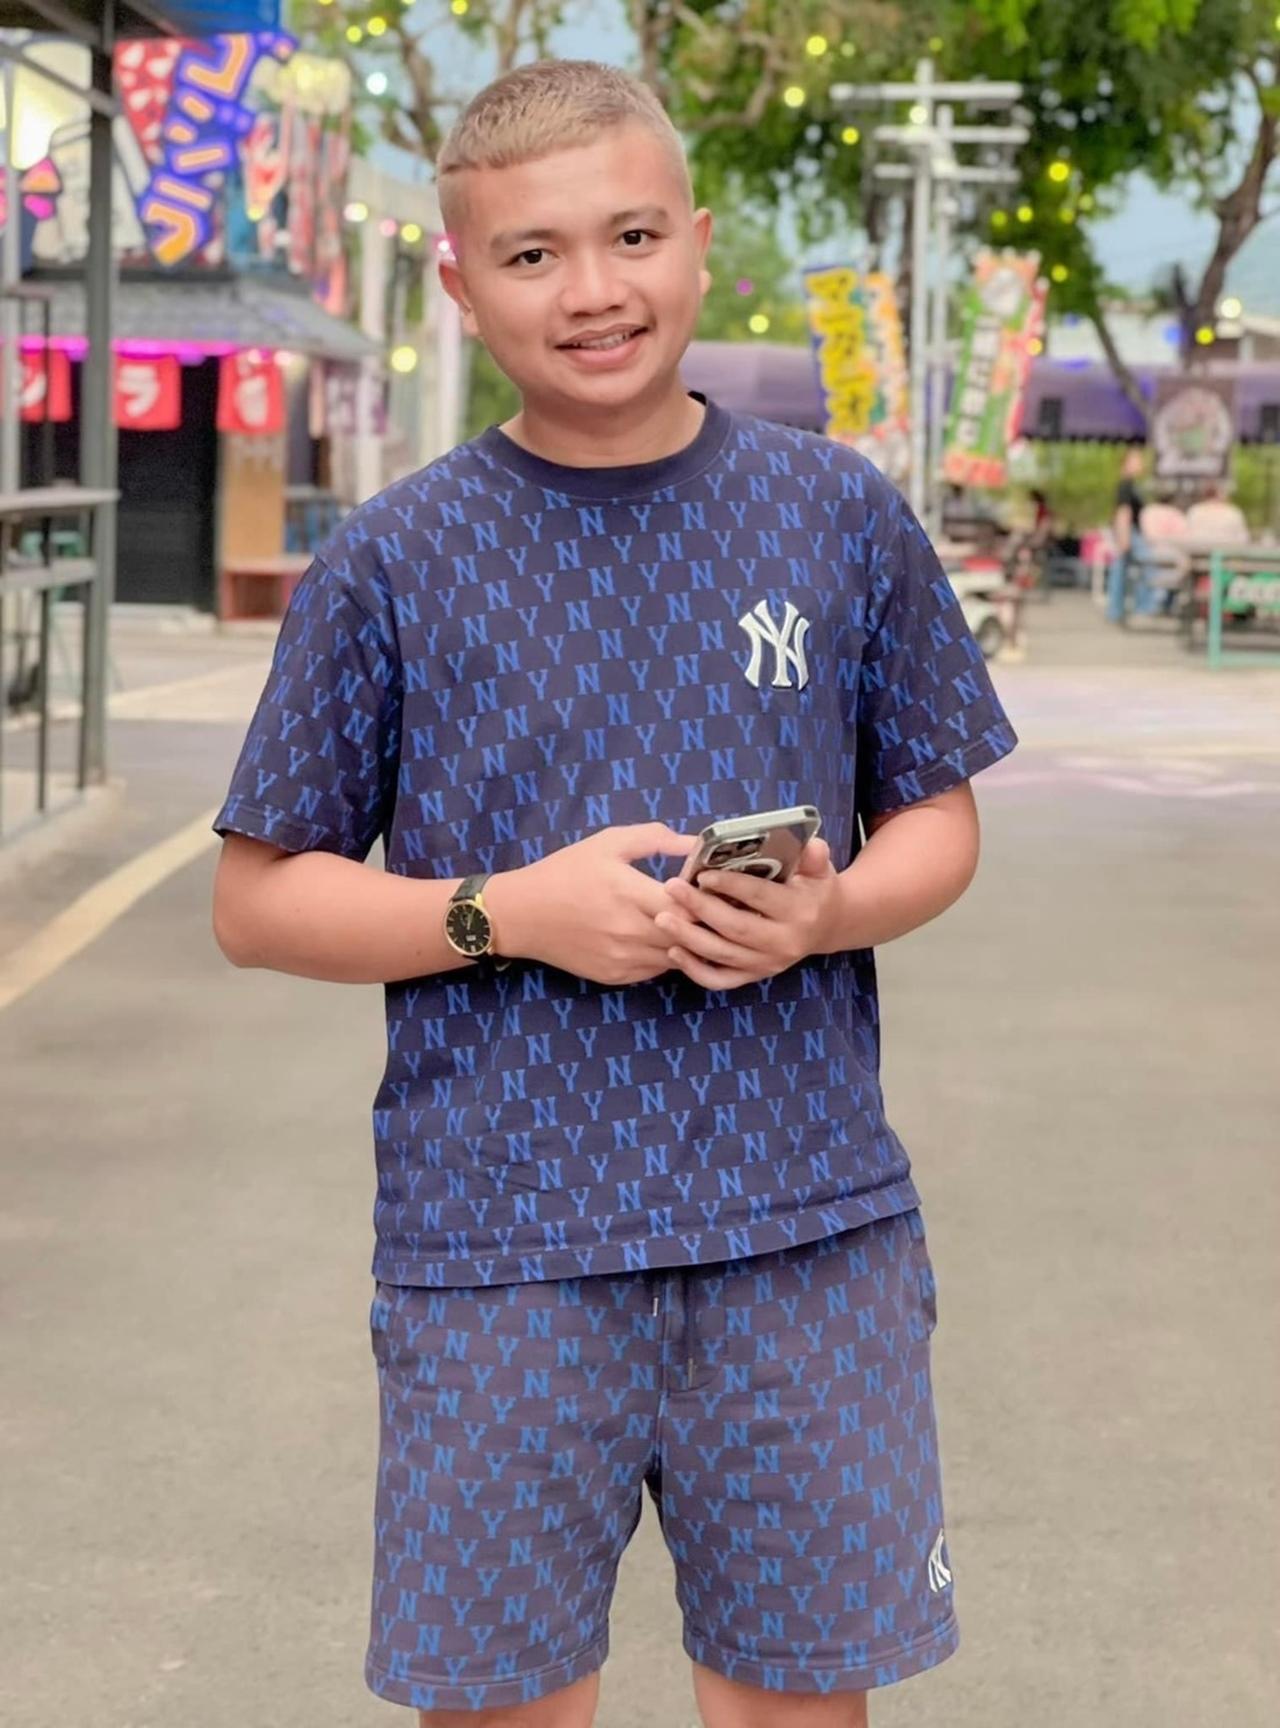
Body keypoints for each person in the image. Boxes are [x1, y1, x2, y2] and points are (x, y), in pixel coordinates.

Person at [211, 60, 1017, 1728]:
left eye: (632, 235)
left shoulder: (837, 515)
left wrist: (827, 913)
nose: (593, 289)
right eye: (533, 254)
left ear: (698, 241)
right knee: (502, 1704)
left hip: (808, 1227)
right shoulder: (393, 559)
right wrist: (504, 912)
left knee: (800, 1701)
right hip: (497, 1246)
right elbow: (259, 898)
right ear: (460, 284)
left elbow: (937, 819)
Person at [1108, 446, 1159, 620]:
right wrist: (1124, 537)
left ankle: (1116, 610)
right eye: (1137, 460)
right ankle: (1142, 607)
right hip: (1131, 532)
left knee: (1122, 571)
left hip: (1132, 532)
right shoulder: (1126, 485)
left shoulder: (1132, 485)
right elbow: (1123, 512)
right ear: (1127, 463)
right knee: (1148, 566)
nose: (1141, 464)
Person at [1185, 479, 1250, 546]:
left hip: (1197, 550)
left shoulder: (1194, 511)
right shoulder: (1233, 512)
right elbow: (1243, 539)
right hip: (1227, 550)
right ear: (1222, 494)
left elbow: (1187, 536)